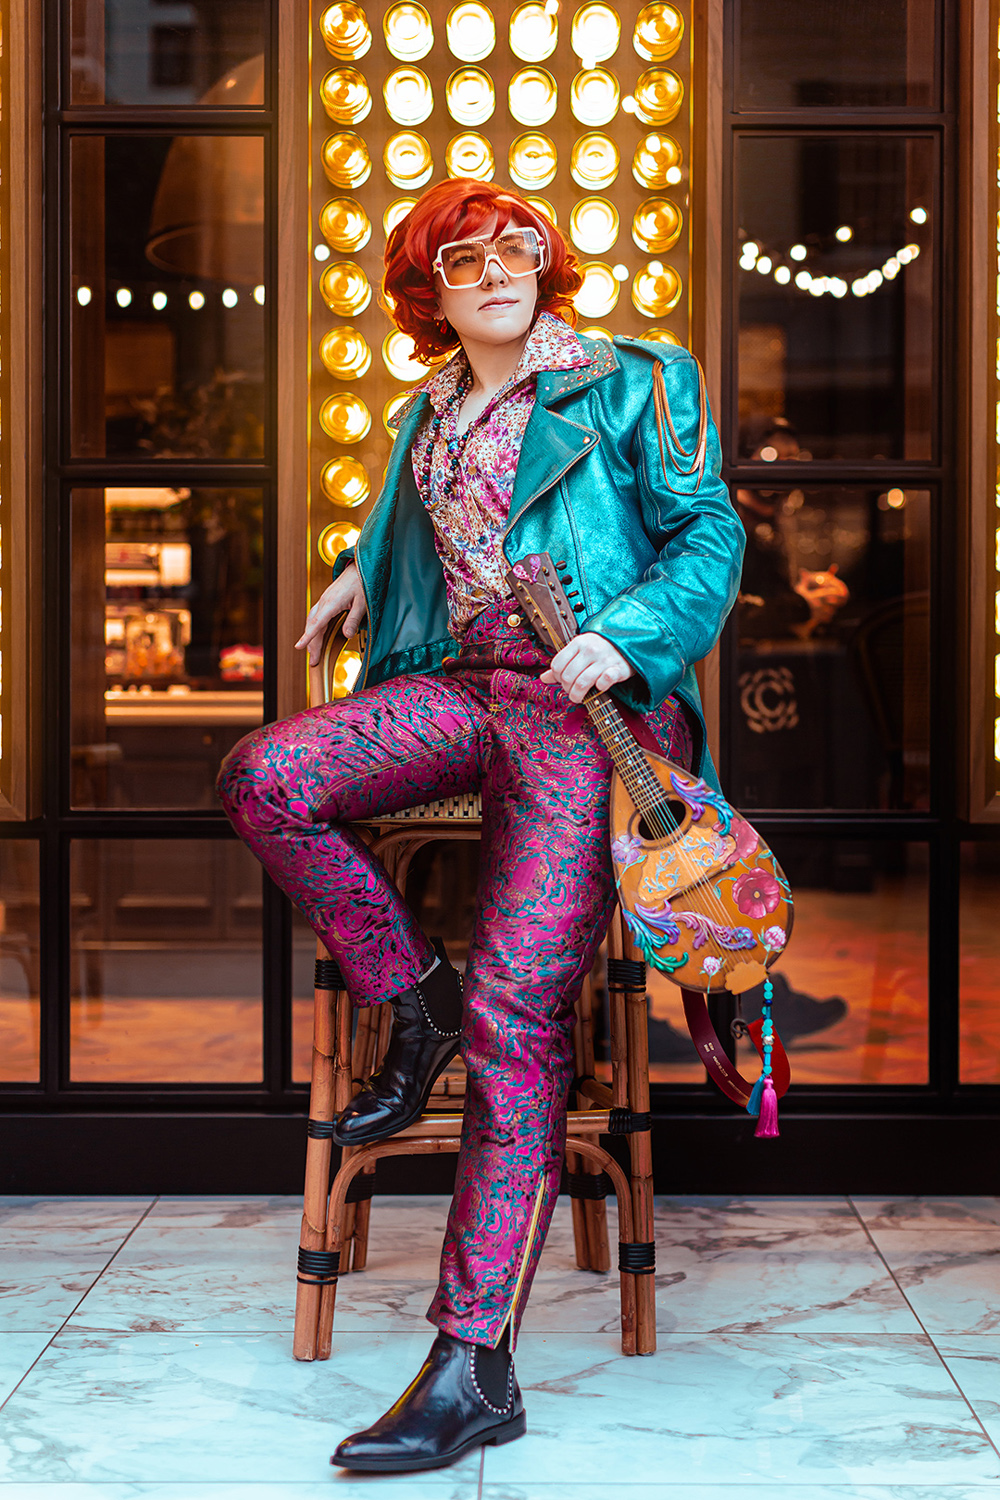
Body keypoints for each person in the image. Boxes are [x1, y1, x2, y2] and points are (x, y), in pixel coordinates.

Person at [216, 178, 744, 1474]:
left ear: (546, 263)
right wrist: (361, 569)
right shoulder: (429, 410)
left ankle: (472, 1365)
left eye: (519, 246)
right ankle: (418, 996)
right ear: (430, 293)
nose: (499, 268)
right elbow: (432, 530)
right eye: (466, 258)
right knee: (264, 776)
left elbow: (707, 533)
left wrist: (631, 637)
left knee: (522, 1010)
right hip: (463, 692)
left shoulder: (633, 381)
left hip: (583, 708)